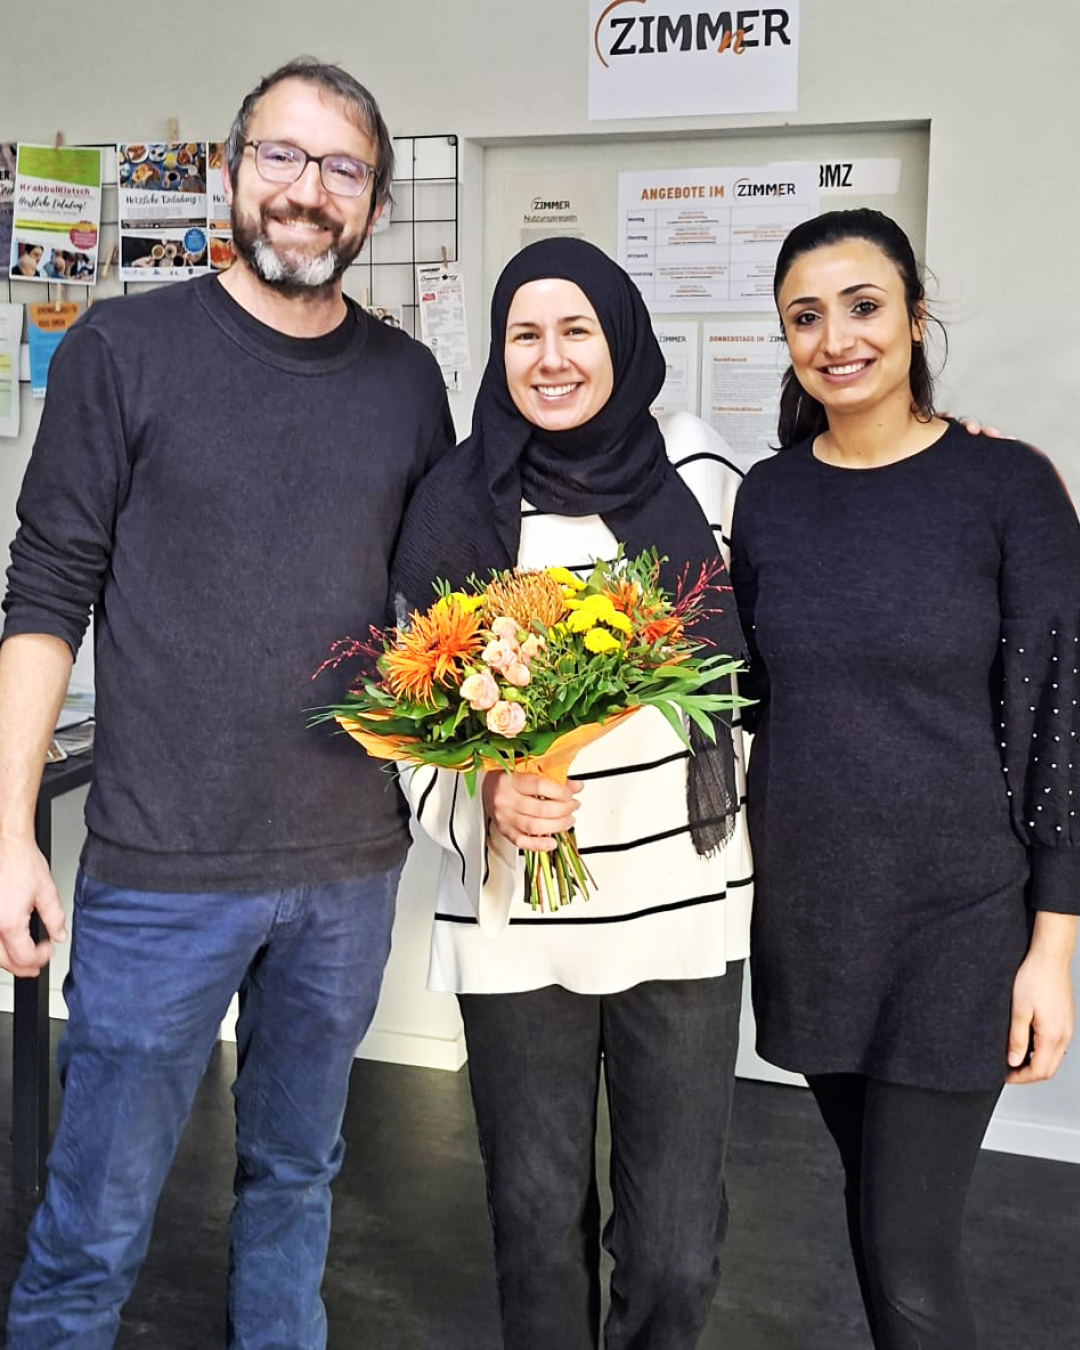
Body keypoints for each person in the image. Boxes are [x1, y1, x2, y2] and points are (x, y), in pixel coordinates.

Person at [0, 57, 452, 1348]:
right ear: (230, 170)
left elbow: (449, 596)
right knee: (92, 1227)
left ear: (371, 202)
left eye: (342, 169)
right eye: (283, 158)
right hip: (160, 874)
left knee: (295, 1182)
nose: (308, 194)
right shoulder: (120, 352)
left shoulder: (408, 382)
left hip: (347, 870)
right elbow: (45, 594)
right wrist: (10, 827)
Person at [389, 236, 753, 1349]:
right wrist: (483, 798)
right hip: (516, 928)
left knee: (676, 1256)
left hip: (685, 917)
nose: (551, 360)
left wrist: (958, 454)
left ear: (622, 338)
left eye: (576, 330)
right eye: (524, 336)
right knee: (534, 1226)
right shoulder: (456, 499)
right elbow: (409, 725)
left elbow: (782, 648)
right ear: (498, 354)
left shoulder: (700, 469)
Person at [729, 208, 1079, 1350]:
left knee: (911, 1253)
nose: (838, 337)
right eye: (806, 316)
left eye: (865, 306)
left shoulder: (1008, 487)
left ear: (915, 319)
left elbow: (1066, 723)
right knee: (878, 1226)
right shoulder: (770, 499)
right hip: (817, 922)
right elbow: (746, 698)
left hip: (960, 926)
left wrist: (1053, 952)